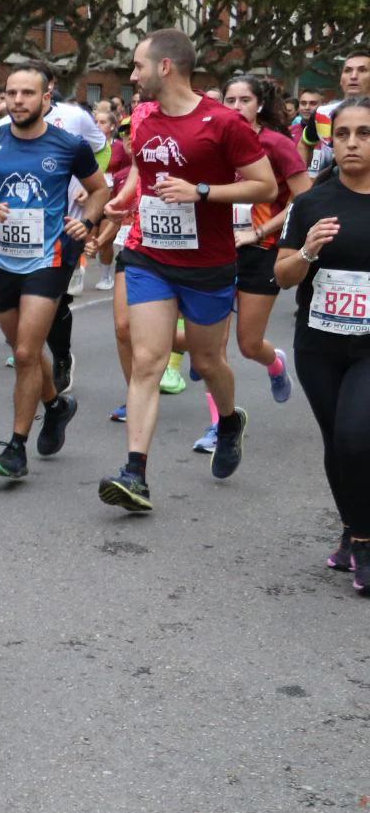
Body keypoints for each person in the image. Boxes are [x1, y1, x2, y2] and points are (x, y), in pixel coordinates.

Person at [98, 30, 276, 512]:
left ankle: (230, 421)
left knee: (207, 361)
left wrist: (202, 192)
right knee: (148, 361)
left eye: (138, 66)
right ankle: (135, 473)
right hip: (149, 256)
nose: (132, 76)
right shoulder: (141, 117)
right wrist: (126, 197)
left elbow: (265, 186)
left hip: (208, 263)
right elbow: (142, 170)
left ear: (166, 68)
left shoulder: (224, 124)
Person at [0, 59, 103, 479]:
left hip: (49, 257)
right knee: (26, 352)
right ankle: (56, 406)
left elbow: (99, 190)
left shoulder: (68, 145)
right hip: (2, 259)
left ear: (46, 97)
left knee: (24, 353)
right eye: (11, 93)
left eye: (27, 93)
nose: (17, 101)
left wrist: (86, 220)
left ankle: (16, 447)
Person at [275, 97, 370, 588]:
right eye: (343, 134)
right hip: (319, 344)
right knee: (338, 441)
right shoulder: (312, 203)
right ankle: (353, 531)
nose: (351, 143)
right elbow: (283, 275)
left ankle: (365, 539)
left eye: (364, 133)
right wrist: (309, 249)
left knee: (357, 435)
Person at [203, 73, 308, 450]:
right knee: (213, 350)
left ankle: (275, 363)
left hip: (261, 252)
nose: (234, 108)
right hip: (216, 250)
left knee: (248, 344)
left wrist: (260, 233)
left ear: (259, 104)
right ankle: (220, 426)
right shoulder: (213, 142)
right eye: (228, 100)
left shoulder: (276, 144)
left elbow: (303, 197)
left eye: (243, 100)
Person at [90, 102, 132, 291]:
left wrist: (118, 182)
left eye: (102, 122)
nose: (98, 125)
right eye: (95, 122)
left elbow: (131, 169)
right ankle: (80, 273)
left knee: (105, 239)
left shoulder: (121, 147)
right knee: (88, 238)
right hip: (91, 197)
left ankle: (107, 276)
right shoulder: (88, 147)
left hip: (114, 196)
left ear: (112, 126)